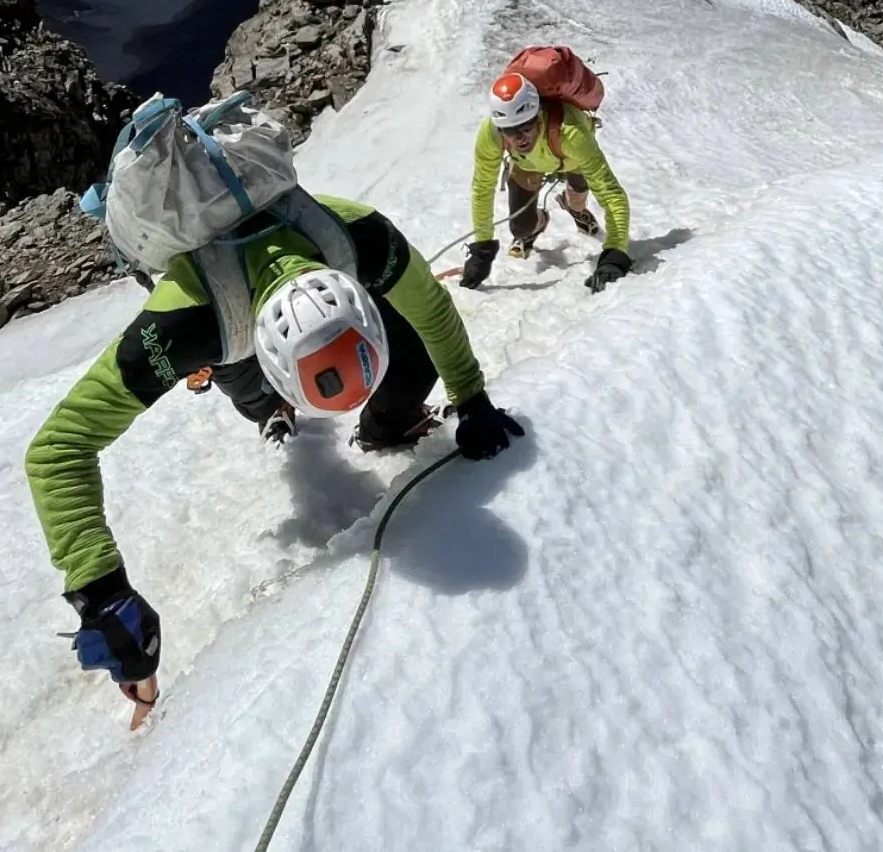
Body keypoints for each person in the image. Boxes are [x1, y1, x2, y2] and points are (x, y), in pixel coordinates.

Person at [27, 192, 522, 715]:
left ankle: (385, 422)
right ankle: (273, 406)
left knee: (415, 354)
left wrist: (472, 397)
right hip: (222, 315)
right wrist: (100, 587)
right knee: (256, 397)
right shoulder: (182, 326)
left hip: (281, 287)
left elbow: (431, 309)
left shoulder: (360, 237)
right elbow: (57, 450)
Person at [462, 72, 631, 292]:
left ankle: (575, 207)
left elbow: (611, 193)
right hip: (527, 165)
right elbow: (482, 188)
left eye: (525, 127)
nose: (519, 138)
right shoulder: (492, 133)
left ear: (538, 115)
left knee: (577, 202)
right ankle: (540, 222)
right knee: (520, 228)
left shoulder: (571, 134)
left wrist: (615, 253)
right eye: (510, 131)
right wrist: (482, 248)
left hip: (572, 160)